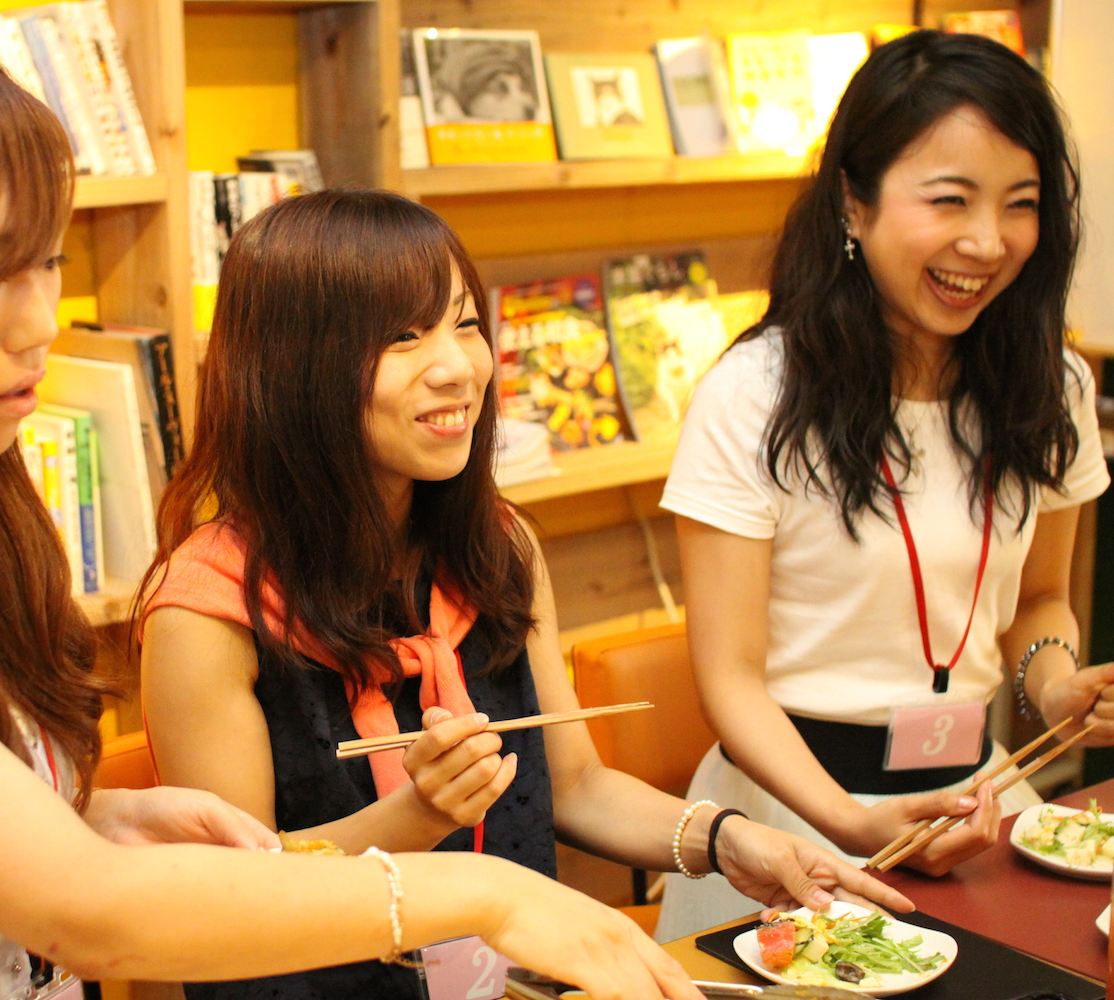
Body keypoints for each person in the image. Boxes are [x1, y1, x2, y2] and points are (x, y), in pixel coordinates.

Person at [0, 35, 731, 1000]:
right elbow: (81, 914)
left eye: (47, 261)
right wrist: (484, 891)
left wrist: (94, 818)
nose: (39, 321)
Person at [137, 187, 913, 1000]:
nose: (457, 368)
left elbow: (575, 786)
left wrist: (731, 840)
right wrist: (417, 815)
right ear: (291, 367)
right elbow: (233, 897)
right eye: (402, 337)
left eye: (465, 324)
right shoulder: (207, 612)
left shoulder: (498, 547)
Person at [654, 29, 1114, 942]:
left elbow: (1040, 603)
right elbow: (729, 679)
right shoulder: (754, 394)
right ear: (854, 200)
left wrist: (1059, 691)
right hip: (792, 824)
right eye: (949, 200)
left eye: (1021, 204)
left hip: (976, 809)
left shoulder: (1054, 385)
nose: (987, 242)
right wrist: (851, 823)